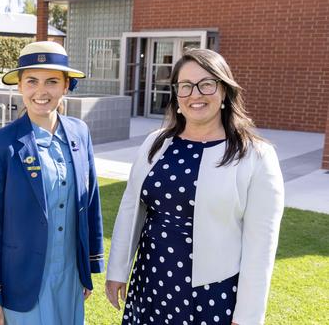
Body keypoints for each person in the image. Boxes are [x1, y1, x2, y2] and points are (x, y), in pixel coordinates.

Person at [105, 49, 285, 325]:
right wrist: (118, 269)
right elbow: (131, 207)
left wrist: (248, 316)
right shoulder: (156, 142)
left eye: (207, 84)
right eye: (185, 86)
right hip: (151, 279)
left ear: (224, 91)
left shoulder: (255, 155)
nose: (195, 94)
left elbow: (260, 246)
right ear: (176, 95)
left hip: (213, 290)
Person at [0, 41, 104, 325]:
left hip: (69, 278)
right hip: (22, 284)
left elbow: (90, 202)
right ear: (20, 85)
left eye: (52, 81)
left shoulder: (80, 133)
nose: (41, 91)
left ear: (66, 86)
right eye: (32, 81)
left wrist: (88, 267)